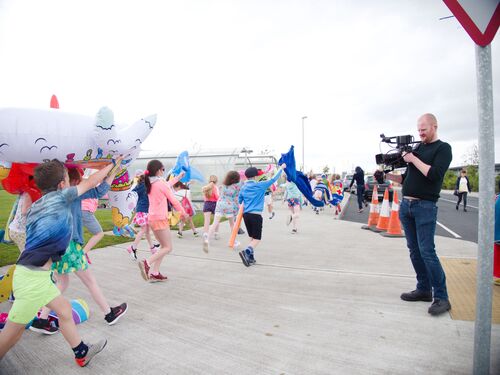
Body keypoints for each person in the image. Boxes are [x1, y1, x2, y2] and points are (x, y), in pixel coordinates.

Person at [0, 159, 116, 367]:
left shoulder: (38, 205)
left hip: (35, 276)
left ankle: (81, 352)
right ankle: (81, 351)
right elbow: (91, 183)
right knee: (11, 334)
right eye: (66, 177)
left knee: (63, 311)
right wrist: (113, 164)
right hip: (32, 279)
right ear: (63, 184)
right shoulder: (61, 198)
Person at [32, 165, 128, 334]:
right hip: (70, 247)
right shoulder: (71, 196)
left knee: (62, 282)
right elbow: (99, 191)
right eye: (75, 180)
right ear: (65, 182)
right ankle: (109, 314)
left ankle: (41, 319)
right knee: (90, 282)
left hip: (55, 248)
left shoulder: (45, 199)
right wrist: (112, 169)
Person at [386, 113, 453, 316]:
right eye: (418, 130)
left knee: (427, 251)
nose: (420, 133)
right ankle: (424, 289)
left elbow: (433, 174)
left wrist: (413, 159)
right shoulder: (419, 148)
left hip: (425, 206)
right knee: (414, 251)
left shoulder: (443, 148)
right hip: (407, 206)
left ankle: (442, 297)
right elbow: (406, 178)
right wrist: (386, 175)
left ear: (434, 126)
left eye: (424, 129)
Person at [138, 160, 187, 282]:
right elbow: (174, 200)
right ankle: (147, 263)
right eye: (163, 169)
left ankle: (155, 272)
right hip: (160, 219)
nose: (163, 171)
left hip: (153, 218)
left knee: (163, 246)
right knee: (168, 247)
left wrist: (179, 177)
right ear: (158, 170)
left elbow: (167, 184)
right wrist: (183, 212)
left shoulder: (151, 182)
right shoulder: (160, 183)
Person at [237, 164, 285, 267]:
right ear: (255, 176)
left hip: (246, 215)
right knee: (257, 239)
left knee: (252, 237)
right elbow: (273, 179)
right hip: (256, 215)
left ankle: (251, 258)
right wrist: (281, 168)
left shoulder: (243, 187)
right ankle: (247, 251)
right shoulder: (261, 185)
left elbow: (240, 201)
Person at [204, 170, 242, 252]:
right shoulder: (237, 187)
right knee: (232, 225)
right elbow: (236, 198)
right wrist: (237, 209)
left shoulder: (222, 185)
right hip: (229, 205)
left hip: (220, 204)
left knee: (215, 223)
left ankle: (207, 240)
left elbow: (219, 195)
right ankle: (233, 241)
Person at [127, 172, 160, 260]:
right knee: (144, 229)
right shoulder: (142, 185)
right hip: (142, 210)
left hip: (145, 210)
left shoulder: (146, 185)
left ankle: (152, 248)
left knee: (147, 230)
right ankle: (133, 247)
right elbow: (132, 192)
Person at [201, 175, 220, 242]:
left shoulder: (205, 187)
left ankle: (205, 234)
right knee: (216, 220)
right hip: (215, 204)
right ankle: (216, 233)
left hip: (207, 204)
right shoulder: (216, 187)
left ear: (209, 180)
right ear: (216, 181)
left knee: (207, 221)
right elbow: (217, 197)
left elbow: (204, 198)